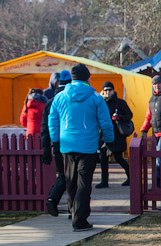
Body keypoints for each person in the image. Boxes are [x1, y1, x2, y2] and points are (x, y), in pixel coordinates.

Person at [48, 63, 114, 232]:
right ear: (87, 78)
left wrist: (55, 141)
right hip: (88, 146)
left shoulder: (60, 97)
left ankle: (72, 211)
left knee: (71, 181)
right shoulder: (96, 98)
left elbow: (53, 120)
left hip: (66, 145)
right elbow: (105, 122)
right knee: (84, 182)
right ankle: (80, 218)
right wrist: (109, 140)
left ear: (72, 78)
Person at [42, 70, 72, 217]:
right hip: (71, 142)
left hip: (56, 143)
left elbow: (45, 129)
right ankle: (73, 209)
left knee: (63, 174)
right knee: (73, 176)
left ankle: (52, 198)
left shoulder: (49, 102)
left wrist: (46, 150)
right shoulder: (70, 99)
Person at [95, 82, 132, 188]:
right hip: (103, 134)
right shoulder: (100, 102)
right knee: (103, 158)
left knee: (118, 157)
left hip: (117, 135)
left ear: (113, 90)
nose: (107, 92)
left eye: (109, 90)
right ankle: (104, 181)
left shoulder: (119, 103)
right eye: (105, 90)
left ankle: (131, 177)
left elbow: (129, 115)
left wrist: (119, 117)